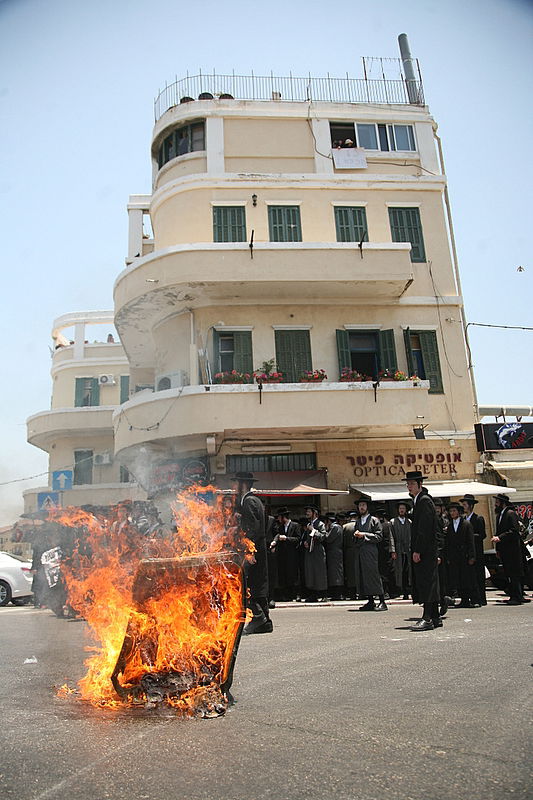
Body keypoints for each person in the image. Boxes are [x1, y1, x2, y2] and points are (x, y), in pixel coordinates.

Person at [232, 471, 273, 633]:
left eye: (235, 483)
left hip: (253, 549)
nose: (233, 486)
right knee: (259, 583)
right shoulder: (255, 500)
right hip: (259, 547)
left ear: (242, 484)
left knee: (249, 585)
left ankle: (259, 618)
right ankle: (265, 622)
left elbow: (252, 529)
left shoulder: (248, 501)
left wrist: (250, 551)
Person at [405, 471, 441, 630]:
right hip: (426, 550)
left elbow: (424, 530)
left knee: (427, 583)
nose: (409, 486)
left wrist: (418, 550)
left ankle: (427, 617)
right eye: (408, 484)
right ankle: (435, 616)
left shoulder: (424, 501)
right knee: (427, 582)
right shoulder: (417, 501)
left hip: (426, 551)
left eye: (412, 484)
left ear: (420, 485)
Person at [346, 499, 387, 611]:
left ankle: (382, 601)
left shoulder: (374, 520)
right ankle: (370, 601)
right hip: (360, 551)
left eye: (363, 505)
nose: (361, 507)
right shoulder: (358, 522)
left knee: (373, 574)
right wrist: (355, 536)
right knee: (363, 575)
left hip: (370, 550)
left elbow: (379, 536)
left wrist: (364, 535)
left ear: (367, 507)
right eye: (360, 506)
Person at [492, 494, 525, 605]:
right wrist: (498, 549)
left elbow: (513, 531)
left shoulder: (510, 514)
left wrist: (499, 538)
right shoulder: (499, 516)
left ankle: (516, 596)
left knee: (514, 574)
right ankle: (515, 595)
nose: (495, 504)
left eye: (497, 502)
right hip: (505, 551)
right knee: (509, 573)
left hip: (513, 551)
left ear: (503, 503)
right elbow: (498, 532)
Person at [444, 503, 479, 608]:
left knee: (469, 578)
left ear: (459, 512)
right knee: (458, 579)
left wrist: (472, 556)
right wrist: (449, 557)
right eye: (451, 511)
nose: (452, 513)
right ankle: (464, 600)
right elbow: (448, 543)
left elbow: (470, 541)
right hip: (455, 556)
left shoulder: (466, 524)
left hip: (465, 555)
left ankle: (474, 599)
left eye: (454, 511)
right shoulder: (450, 526)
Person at [460, 494, 487, 605]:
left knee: (478, 576)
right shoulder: (463, 519)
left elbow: (482, 535)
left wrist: (470, 536)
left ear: (471, 506)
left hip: (477, 552)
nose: (464, 507)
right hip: (467, 552)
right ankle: (469, 598)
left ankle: (481, 599)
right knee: (469, 577)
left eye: (465, 505)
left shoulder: (478, 518)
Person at [270, 507, 301, 601]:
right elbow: (277, 536)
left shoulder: (295, 525)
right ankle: (286, 595)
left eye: (279, 517)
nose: (278, 519)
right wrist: (274, 542)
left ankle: (296, 594)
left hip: (292, 555)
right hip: (283, 555)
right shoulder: (280, 527)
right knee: (284, 575)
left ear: (283, 517)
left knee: (293, 574)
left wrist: (286, 538)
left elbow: (298, 539)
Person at [301, 506, 328, 602]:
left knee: (320, 572)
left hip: (318, 551)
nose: (307, 513)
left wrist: (313, 530)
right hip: (310, 551)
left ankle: (323, 594)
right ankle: (313, 594)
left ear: (314, 513)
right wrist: (306, 543)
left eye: (309, 511)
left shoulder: (320, 524)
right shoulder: (309, 524)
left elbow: (323, 536)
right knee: (310, 572)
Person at [390, 500, 412, 599]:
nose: (402, 510)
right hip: (398, 549)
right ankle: (399, 590)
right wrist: (393, 550)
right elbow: (391, 537)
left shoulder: (409, 522)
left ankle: (408, 591)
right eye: (400, 509)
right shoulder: (393, 522)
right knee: (399, 570)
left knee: (408, 570)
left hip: (408, 549)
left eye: (403, 509)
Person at [374, 504, 397, 599]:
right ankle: (391, 591)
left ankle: (386, 592)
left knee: (383, 572)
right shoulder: (388, 525)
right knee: (389, 572)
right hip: (387, 551)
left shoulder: (381, 526)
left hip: (382, 551)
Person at [324, 513, 344, 599]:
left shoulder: (334, 527)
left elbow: (328, 538)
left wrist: (323, 532)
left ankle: (337, 593)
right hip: (335, 551)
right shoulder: (338, 526)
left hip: (334, 552)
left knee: (335, 573)